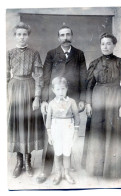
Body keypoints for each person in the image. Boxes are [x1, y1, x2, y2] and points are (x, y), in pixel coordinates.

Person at [36, 25, 87, 183]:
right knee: (53, 136)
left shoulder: (79, 54)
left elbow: (83, 77)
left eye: (68, 34)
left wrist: (82, 99)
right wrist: (44, 100)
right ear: (58, 38)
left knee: (68, 135)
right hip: (54, 97)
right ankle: (46, 171)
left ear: (72, 36)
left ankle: (66, 170)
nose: (65, 37)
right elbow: (45, 78)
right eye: (62, 35)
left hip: (72, 98)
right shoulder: (52, 54)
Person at [84, 33, 121, 178]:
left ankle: (112, 170)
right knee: (98, 131)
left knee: (114, 131)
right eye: (103, 44)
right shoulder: (94, 63)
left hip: (115, 99)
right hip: (98, 100)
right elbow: (89, 85)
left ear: (114, 45)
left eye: (108, 43)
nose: (105, 46)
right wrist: (88, 103)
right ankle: (96, 169)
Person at [7, 22, 44, 178]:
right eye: (19, 34)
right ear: (15, 36)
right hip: (14, 89)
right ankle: (19, 161)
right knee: (17, 124)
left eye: (24, 34)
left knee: (28, 124)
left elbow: (39, 76)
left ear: (28, 36)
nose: (21, 37)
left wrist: (37, 98)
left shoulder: (34, 53)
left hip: (29, 88)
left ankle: (28, 160)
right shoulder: (9, 53)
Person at [46, 77, 80, 185]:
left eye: (63, 89)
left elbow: (77, 117)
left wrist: (75, 132)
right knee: (57, 152)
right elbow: (48, 119)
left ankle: (67, 173)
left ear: (67, 89)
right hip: (56, 129)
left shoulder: (72, 102)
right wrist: (49, 135)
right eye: (58, 89)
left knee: (67, 152)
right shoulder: (51, 103)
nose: (61, 92)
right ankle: (58, 173)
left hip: (68, 129)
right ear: (53, 90)